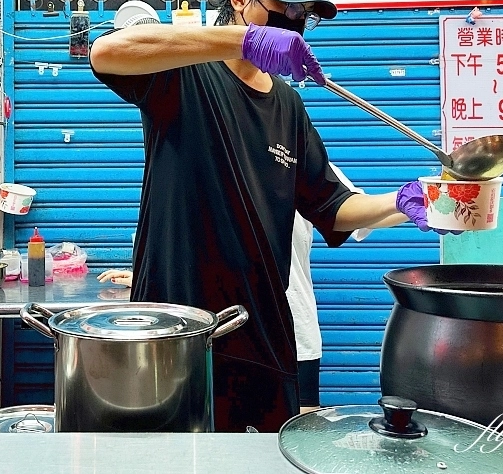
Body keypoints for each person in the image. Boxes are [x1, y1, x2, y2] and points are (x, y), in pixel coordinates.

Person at [88, 0, 445, 433]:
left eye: (305, 15)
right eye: (284, 8)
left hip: (261, 331)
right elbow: (106, 53)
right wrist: (240, 42)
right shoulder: (181, 73)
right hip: (177, 329)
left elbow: (331, 205)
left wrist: (412, 199)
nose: (295, 24)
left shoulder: (288, 107)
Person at [98, 162, 374, 416]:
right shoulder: (211, 162)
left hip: (292, 331)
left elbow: (361, 216)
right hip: (221, 333)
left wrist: (407, 201)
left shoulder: (299, 161)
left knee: (294, 440)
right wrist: (151, 276)